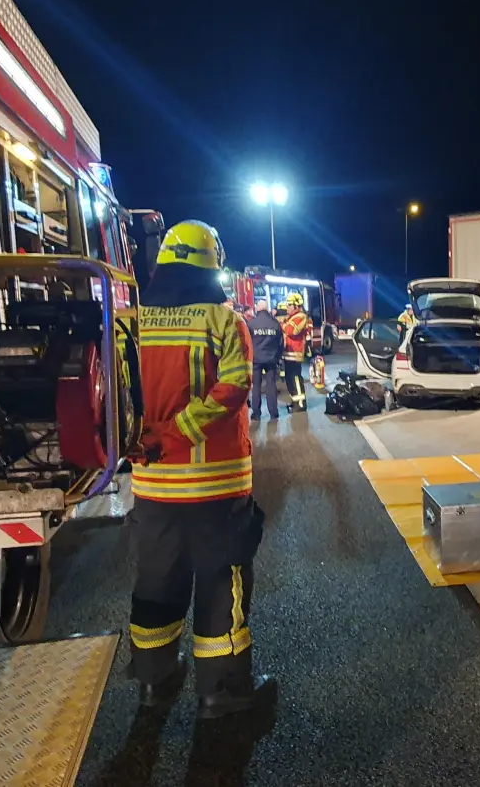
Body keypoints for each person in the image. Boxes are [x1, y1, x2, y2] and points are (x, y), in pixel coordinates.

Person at [128, 220, 275, 719]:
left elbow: (116, 395)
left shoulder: (134, 321)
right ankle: (223, 691)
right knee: (220, 581)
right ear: (212, 264)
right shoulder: (223, 320)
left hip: (152, 484)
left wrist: (144, 440)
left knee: (157, 580)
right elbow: (233, 388)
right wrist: (180, 432)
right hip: (216, 485)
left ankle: (154, 679)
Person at [247, 300, 283, 421]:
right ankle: (274, 413)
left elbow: (246, 343)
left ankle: (256, 413)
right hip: (271, 359)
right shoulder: (275, 323)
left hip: (256, 359)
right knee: (271, 385)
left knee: (256, 386)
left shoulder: (251, 324)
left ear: (258, 308)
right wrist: (277, 357)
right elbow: (280, 343)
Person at [280, 294, 311, 412]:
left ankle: (301, 404)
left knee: (296, 379)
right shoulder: (291, 317)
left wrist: (283, 324)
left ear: (296, 305)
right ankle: (294, 402)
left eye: (289, 305)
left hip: (295, 353)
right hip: (288, 353)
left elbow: (291, 330)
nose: (287, 307)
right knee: (289, 380)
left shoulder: (300, 316)